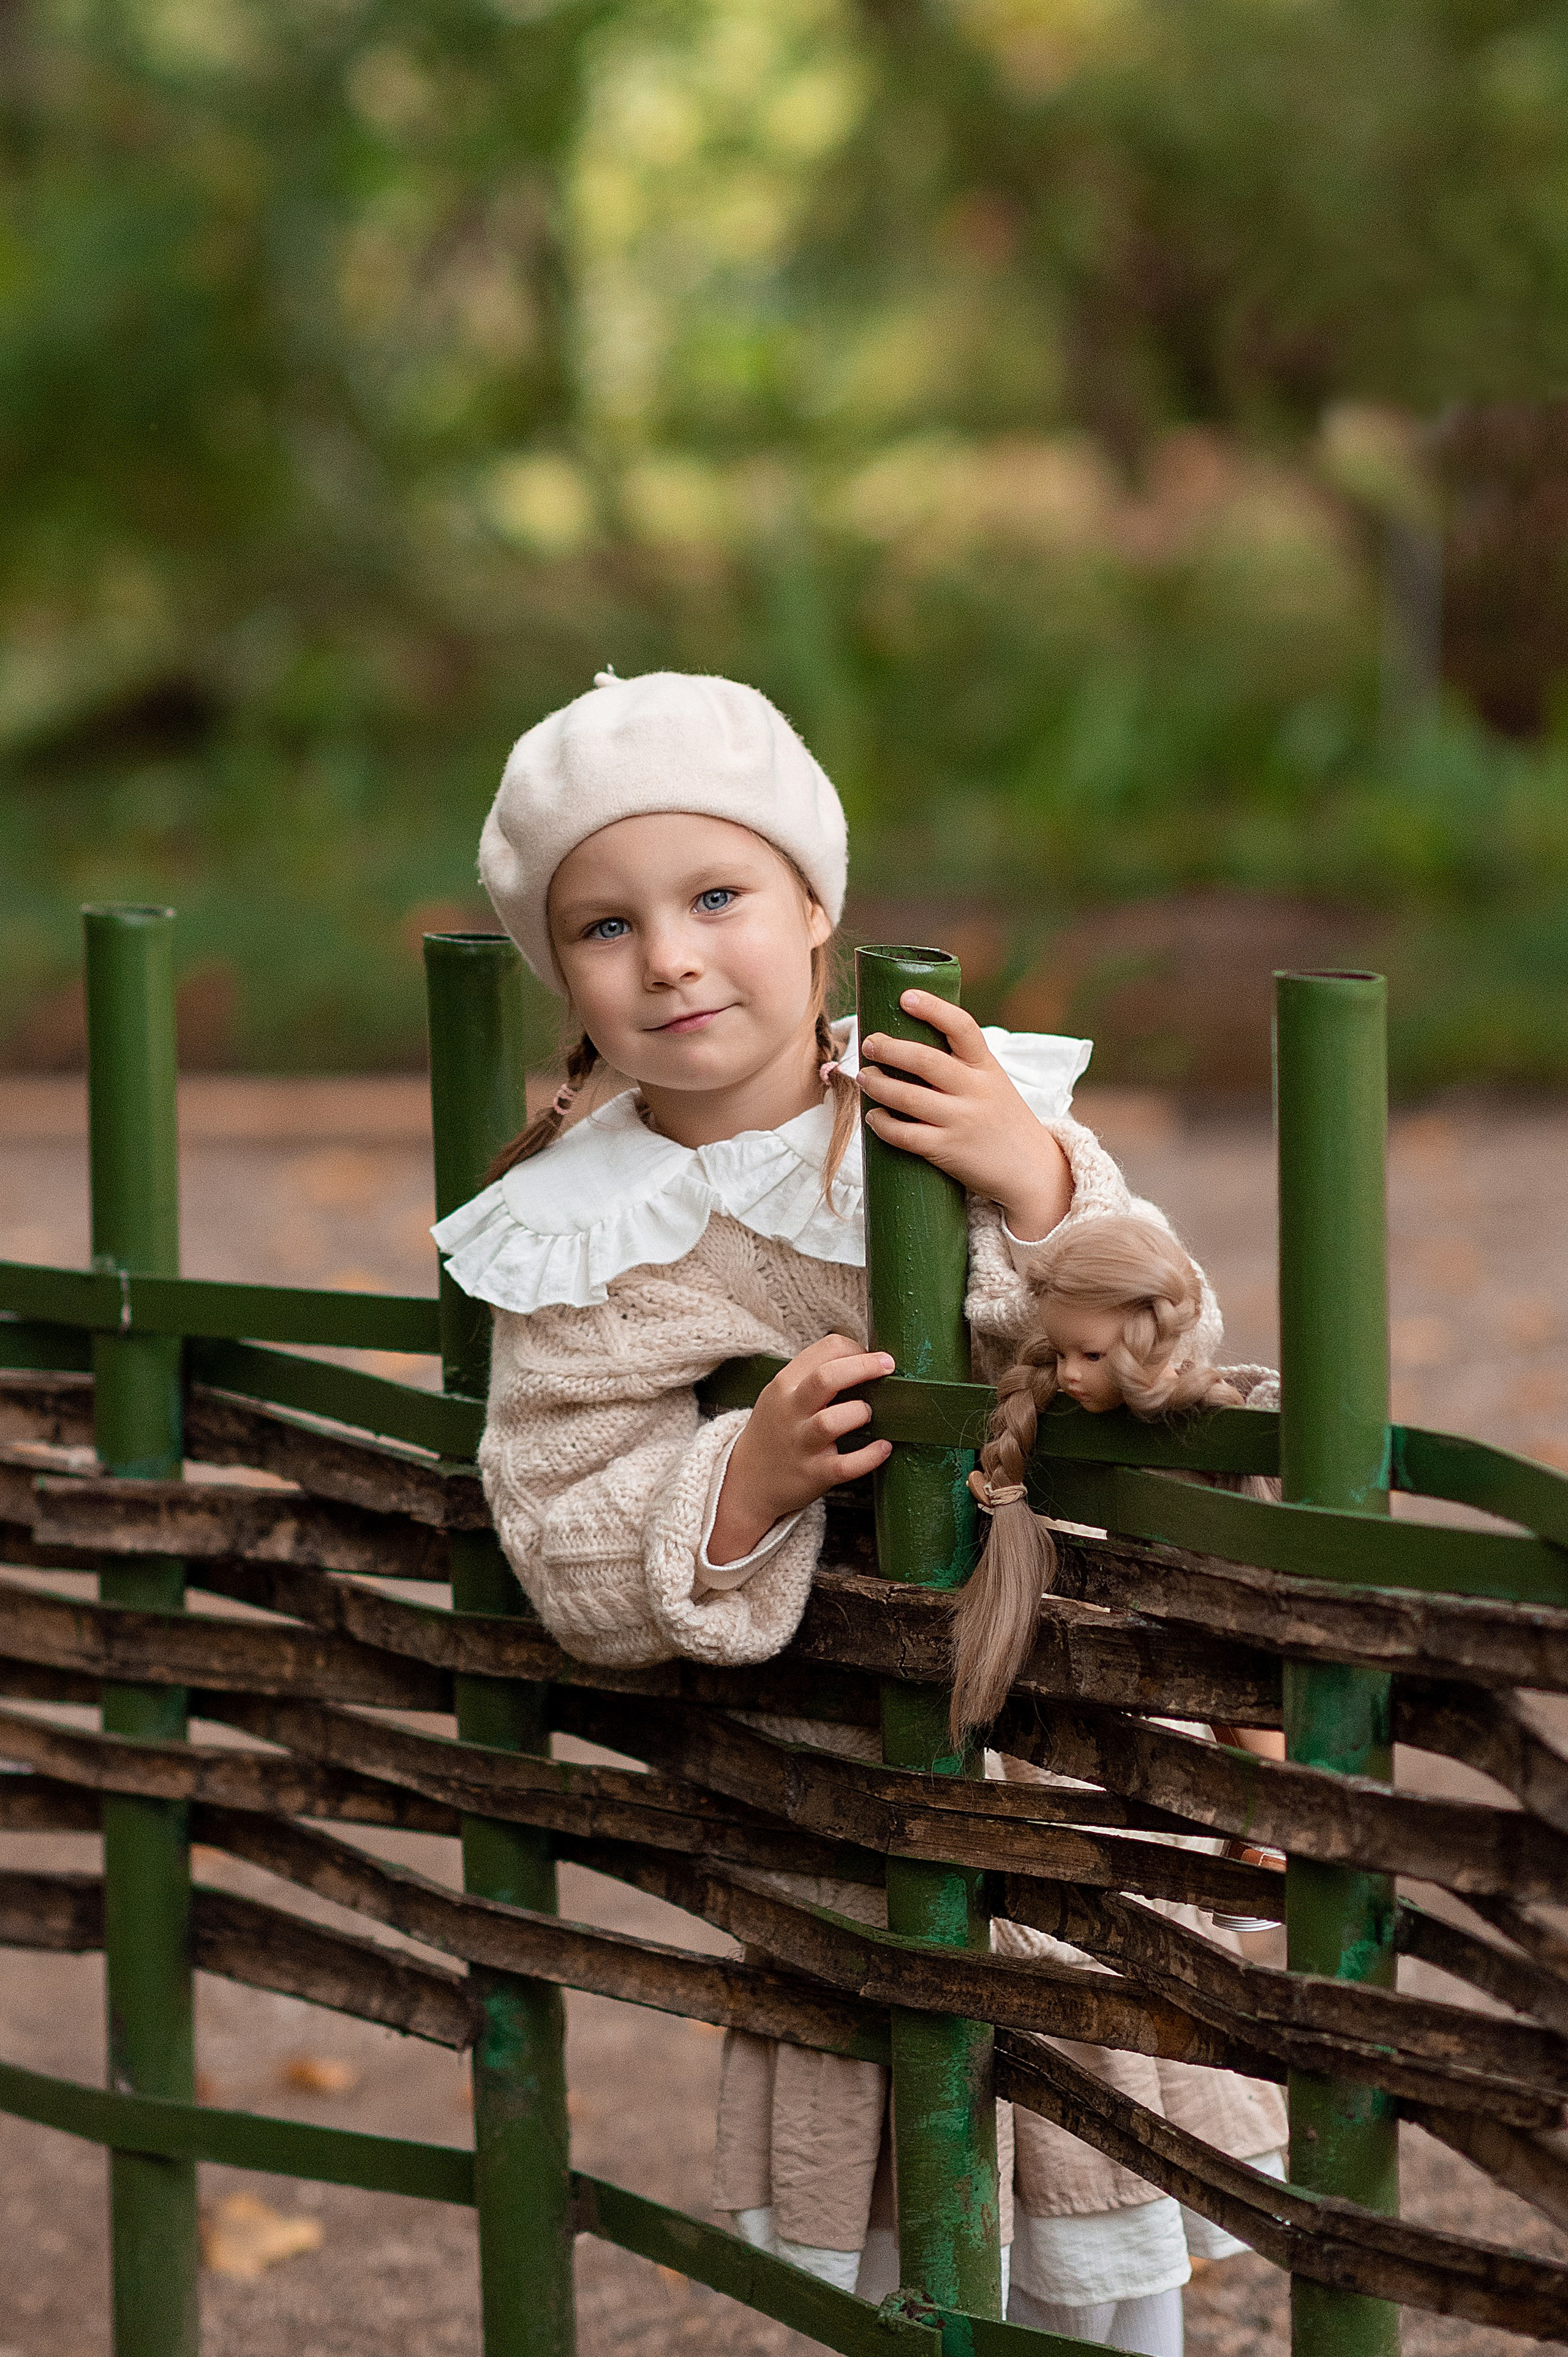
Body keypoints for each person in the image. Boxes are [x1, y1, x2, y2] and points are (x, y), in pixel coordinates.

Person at [429, 668, 1262, 2341]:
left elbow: (1164, 1356)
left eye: (718, 895)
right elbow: (564, 1522)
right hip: (841, 1789)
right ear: (562, 977)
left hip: (1068, 1746)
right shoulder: (584, 1239)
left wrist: (1036, 1184)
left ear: (817, 909)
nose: (669, 954)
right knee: (897, 2196)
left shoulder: (949, 1107)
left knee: (1104, 2210)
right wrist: (737, 1481)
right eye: (605, 924)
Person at [965, 1212, 1291, 2352]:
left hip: (1140, 1791)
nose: (1068, 1376)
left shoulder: (1208, 1448)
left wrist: (1267, 1800)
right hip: (1052, 1780)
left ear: (1158, 1336)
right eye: (1057, 1356)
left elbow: (1237, 1670)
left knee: (1132, 2042)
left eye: (1093, 1356)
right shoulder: (1047, 1441)